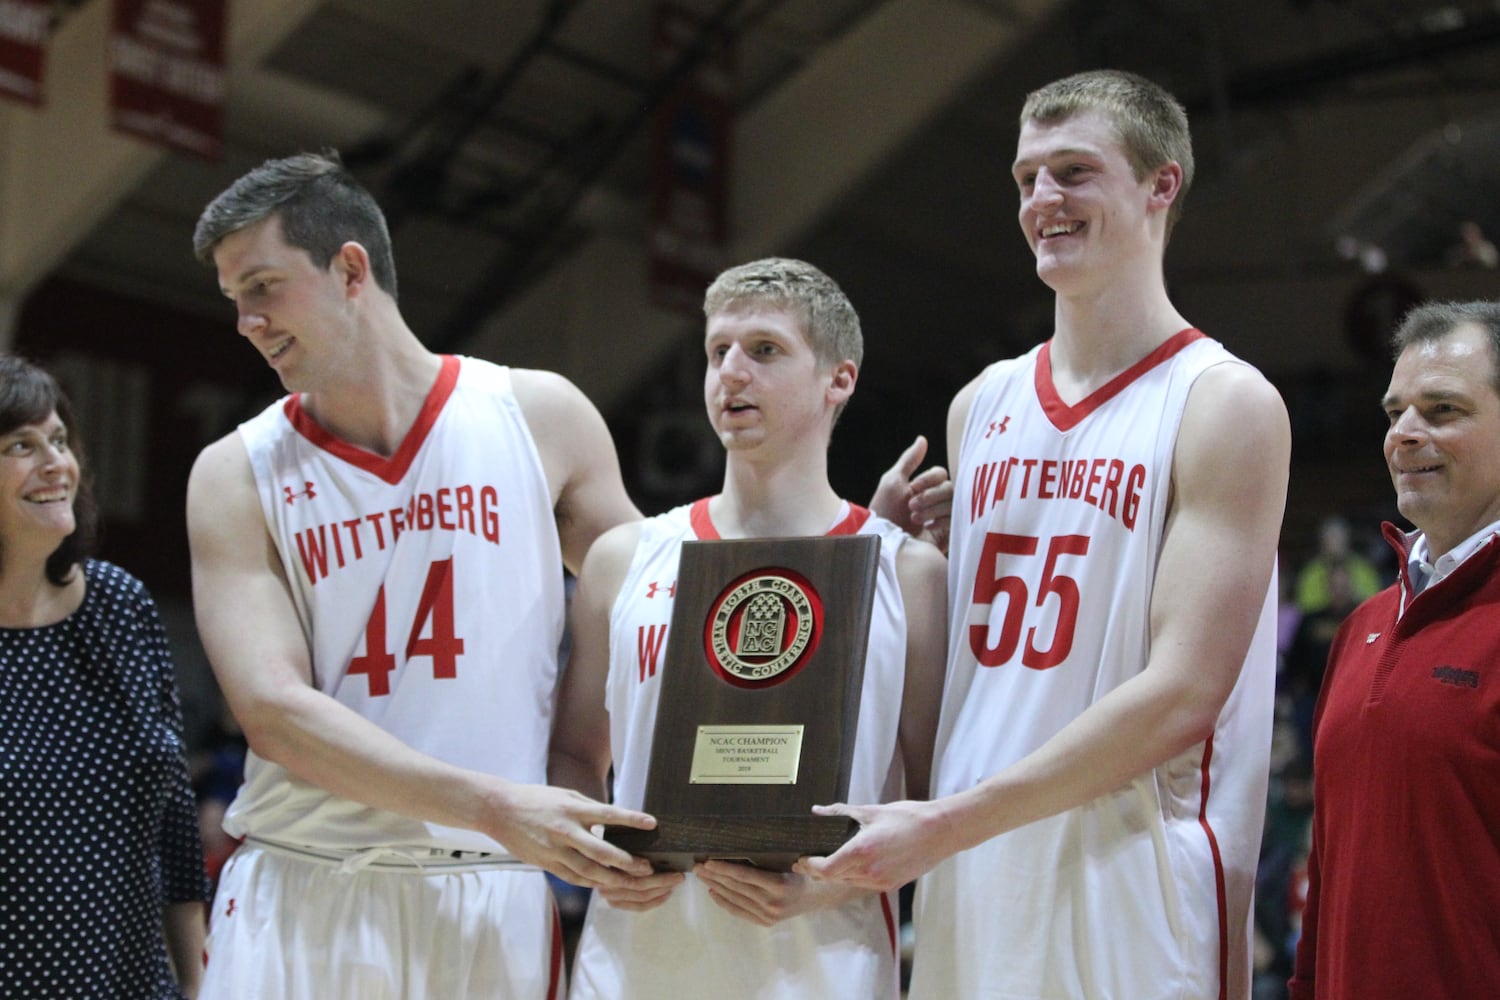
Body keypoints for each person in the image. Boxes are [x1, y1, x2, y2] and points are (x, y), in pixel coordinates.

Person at [185, 152, 949, 999]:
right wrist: (496, 807)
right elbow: (273, 714)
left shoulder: (535, 416)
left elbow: (685, 608)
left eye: (261, 287)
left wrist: (845, 554)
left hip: (489, 885)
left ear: (351, 268)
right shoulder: (236, 472)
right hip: (307, 871)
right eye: (233, 300)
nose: (247, 321)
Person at [797, 69, 1290, 1000]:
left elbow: (1182, 695)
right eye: (1026, 180)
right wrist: (900, 563)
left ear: (1161, 184)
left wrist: (948, 824)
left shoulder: (1224, 403)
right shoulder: (981, 404)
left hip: (1133, 867)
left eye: (1073, 172)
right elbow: (968, 678)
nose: (1042, 203)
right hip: (974, 865)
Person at [549, 258, 948, 998]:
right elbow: (574, 754)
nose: (730, 371)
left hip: (825, 967)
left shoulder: (906, 574)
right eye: (716, 351)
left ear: (839, 379)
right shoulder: (623, 560)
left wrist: (834, 883)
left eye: (764, 350)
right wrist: (601, 851)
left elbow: (934, 801)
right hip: (636, 964)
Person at [1289, 300, 1500, 999]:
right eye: (1394, 412)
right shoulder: (1360, 627)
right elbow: (1327, 877)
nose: (1405, 434)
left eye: (1442, 411)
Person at [0, 356, 209, 998]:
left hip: (132, 982)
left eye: (59, 440)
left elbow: (175, 820)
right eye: (20, 445)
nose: (54, 463)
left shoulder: (120, 606)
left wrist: (198, 984)